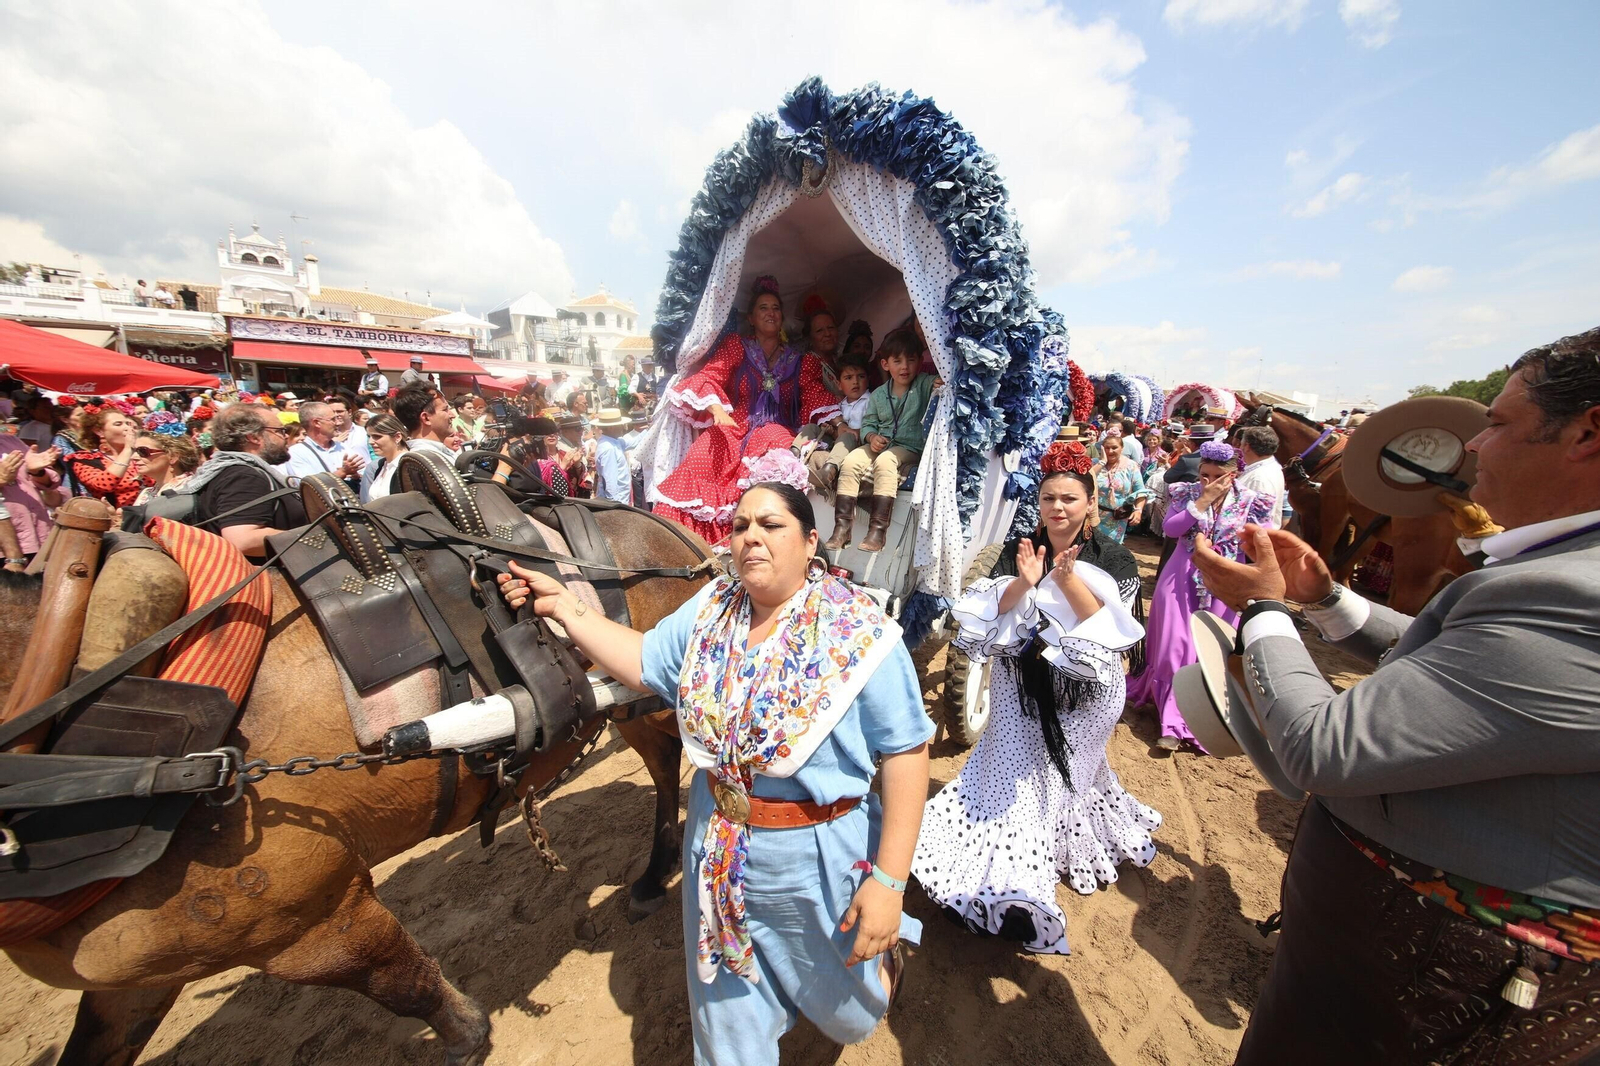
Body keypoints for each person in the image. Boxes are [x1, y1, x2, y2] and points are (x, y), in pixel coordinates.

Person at [1194, 327, 1600, 1064]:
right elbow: (1460, 665)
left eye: (1498, 423)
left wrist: (1264, 610)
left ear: (1586, 434)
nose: (1473, 445)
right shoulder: (1565, 570)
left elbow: (1322, 749)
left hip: (1428, 992)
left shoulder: (1576, 597)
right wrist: (1327, 601)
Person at [497, 482, 933, 1065]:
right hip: (715, 847)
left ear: (810, 542)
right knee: (727, 1032)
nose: (750, 536)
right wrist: (562, 607)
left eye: (770, 525)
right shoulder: (711, 609)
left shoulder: (860, 633)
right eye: (739, 525)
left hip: (816, 859)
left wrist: (889, 885)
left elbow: (906, 753)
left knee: (850, 1013)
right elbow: (645, 659)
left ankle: (880, 972)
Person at [913, 440, 1157, 951]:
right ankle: (1005, 889)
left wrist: (1066, 580)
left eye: (1069, 498)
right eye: (1049, 498)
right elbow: (988, 610)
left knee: (1049, 785)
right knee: (1012, 782)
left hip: (1086, 696)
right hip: (1019, 683)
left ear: (1090, 502)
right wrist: (1025, 582)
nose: (1058, 508)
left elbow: (1111, 634)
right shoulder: (1019, 547)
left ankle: (1017, 891)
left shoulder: (1114, 557)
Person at [654, 276, 836, 543]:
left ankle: (749, 535)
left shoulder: (800, 360)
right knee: (704, 450)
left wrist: (839, 423)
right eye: (763, 308)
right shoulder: (737, 346)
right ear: (751, 318)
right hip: (735, 424)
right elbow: (711, 376)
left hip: (778, 429)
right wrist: (717, 409)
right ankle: (685, 541)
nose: (771, 313)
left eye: (775, 308)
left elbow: (813, 395)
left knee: (774, 445)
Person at [1128, 440, 1273, 752]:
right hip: (1180, 579)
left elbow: (1262, 543)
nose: (1209, 481)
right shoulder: (1187, 493)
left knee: (1211, 651)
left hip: (1225, 583)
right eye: (1204, 474)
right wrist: (1202, 501)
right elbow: (1171, 529)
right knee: (1173, 647)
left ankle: (1202, 718)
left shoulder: (1252, 501)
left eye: (1217, 476)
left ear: (1234, 475)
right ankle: (1170, 722)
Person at [826, 330, 934, 553]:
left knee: (885, 461)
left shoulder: (923, 384)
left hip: (909, 447)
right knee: (851, 461)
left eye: (911, 360)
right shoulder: (878, 395)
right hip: (881, 444)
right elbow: (868, 424)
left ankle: (877, 532)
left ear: (920, 362)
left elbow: (943, 383)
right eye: (897, 361)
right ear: (885, 364)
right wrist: (871, 437)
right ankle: (842, 529)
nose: (904, 367)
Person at [179, 404, 304, 559]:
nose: (285, 436)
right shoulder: (243, 476)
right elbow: (243, 540)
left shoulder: (231, 470)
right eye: (279, 431)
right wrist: (312, 538)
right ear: (254, 437)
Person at [803, 357, 870, 498]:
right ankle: (793, 456)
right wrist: (831, 430)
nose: (855, 382)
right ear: (839, 385)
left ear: (868, 380)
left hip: (858, 443)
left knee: (848, 435)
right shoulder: (839, 405)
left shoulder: (871, 401)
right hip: (838, 442)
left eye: (861, 376)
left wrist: (852, 432)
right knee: (811, 428)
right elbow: (837, 431)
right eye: (848, 378)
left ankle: (828, 472)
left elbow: (871, 428)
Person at [0, 434, 64, 570]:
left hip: (38, 535)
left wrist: (37, 471)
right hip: (6, 549)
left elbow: (49, 483)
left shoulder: (10, 441)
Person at [66, 408, 146, 507]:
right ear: (99, 431)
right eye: (118, 424)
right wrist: (128, 449)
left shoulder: (143, 453)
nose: (127, 428)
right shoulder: (86, 460)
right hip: (117, 514)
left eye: (127, 424)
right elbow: (105, 485)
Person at [284, 400, 366, 489]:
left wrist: (356, 476)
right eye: (332, 419)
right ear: (317, 423)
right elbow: (309, 487)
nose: (337, 423)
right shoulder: (296, 453)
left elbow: (363, 474)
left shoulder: (342, 447)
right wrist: (342, 472)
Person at [1093, 432, 1148, 543]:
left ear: (1122, 448)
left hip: (1118, 519)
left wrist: (1138, 511)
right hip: (1094, 516)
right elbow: (1085, 479)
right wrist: (1102, 462)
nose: (1110, 451)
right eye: (1107, 448)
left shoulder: (1130, 466)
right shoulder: (1094, 463)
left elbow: (1140, 491)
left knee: (1112, 549)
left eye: (1114, 448)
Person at [1233, 425, 1285, 529]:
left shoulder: (1260, 478)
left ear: (1246, 446)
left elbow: (1258, 519)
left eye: (1241, 444)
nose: (1240, 448)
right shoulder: (1267, 468)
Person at [131, 432, 202, 505]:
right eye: (134, 451)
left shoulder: (189, 489)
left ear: (173, 456)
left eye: (143, 451)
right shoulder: (146, 493)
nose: (133, 457)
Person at [392, 383, 456, 459]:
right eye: (445, 409)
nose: (453, 415)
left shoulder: (436, 453)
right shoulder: (428, 459)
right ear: (426, 418)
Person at [358, 413, 410, 502]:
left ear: (397, 437)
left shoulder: (409, 466)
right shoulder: (379, 466)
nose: (370, 441)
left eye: (377, 436)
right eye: (369, 436)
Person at [591, 407, 633, 504]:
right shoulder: (608, 448)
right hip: (617, 500)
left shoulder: (614, 442)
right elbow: (610, 479)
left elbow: (633, 443)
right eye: (620, 425)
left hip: (620, 499)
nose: (623, 428)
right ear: (611, 428)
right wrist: (614, 504)